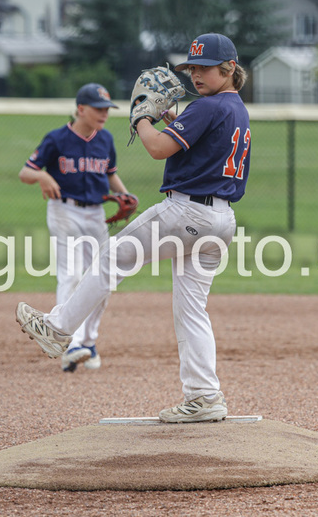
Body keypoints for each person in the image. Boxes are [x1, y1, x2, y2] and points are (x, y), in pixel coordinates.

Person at [16, 33, 251, 422]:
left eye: (204, 67)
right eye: (192, 68)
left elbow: (158, 147)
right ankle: (205, 396)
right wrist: (174, 119)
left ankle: (58, 329)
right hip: (220, 222)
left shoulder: (208, 106)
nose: (195, 74)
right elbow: (202, 146)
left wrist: (142, 115)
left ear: (228, 68)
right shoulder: (234, 107)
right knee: (191, 311)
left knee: (111, 258)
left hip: (187, 213)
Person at [18, 83, 132, 373]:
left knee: (103, 279)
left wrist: (125, 195)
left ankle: (88, 343)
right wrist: (43, 177)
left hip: (95, 214)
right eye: (98, 108)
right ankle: (70, 343)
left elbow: (111, 176)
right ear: (80, 109)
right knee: (70, 274)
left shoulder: (105, 139)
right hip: (63, 210)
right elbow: (26, 172)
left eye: (107, 109)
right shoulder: (56, 139)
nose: (104, 114)